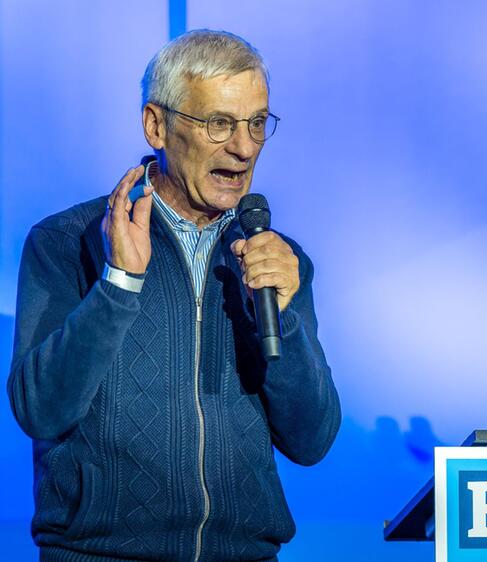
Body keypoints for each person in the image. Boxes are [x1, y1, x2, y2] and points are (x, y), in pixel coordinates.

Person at [6, 30, 341, 561]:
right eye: (219, 124)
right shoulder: (67, 240)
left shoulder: (274, 258)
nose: (245, 146)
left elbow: (311, 439)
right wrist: (119, 283)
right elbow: (40, 410)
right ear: (156, 125)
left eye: (257, 123)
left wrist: (283, 319)